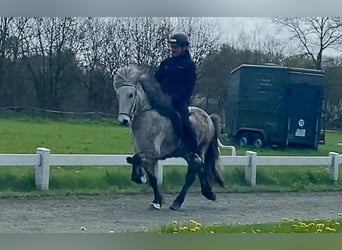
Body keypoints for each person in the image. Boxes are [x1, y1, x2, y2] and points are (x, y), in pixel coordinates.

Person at [154, 33, 202, 164]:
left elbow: (188, 87)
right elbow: (156, 80)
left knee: (185, 123)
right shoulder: (166, 63)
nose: (173, 49)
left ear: (184, 48)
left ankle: (194, 152)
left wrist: (172, 99)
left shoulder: (189, 65)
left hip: (178, 101)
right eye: (172, 46)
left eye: (175, 47)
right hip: (162, 101)